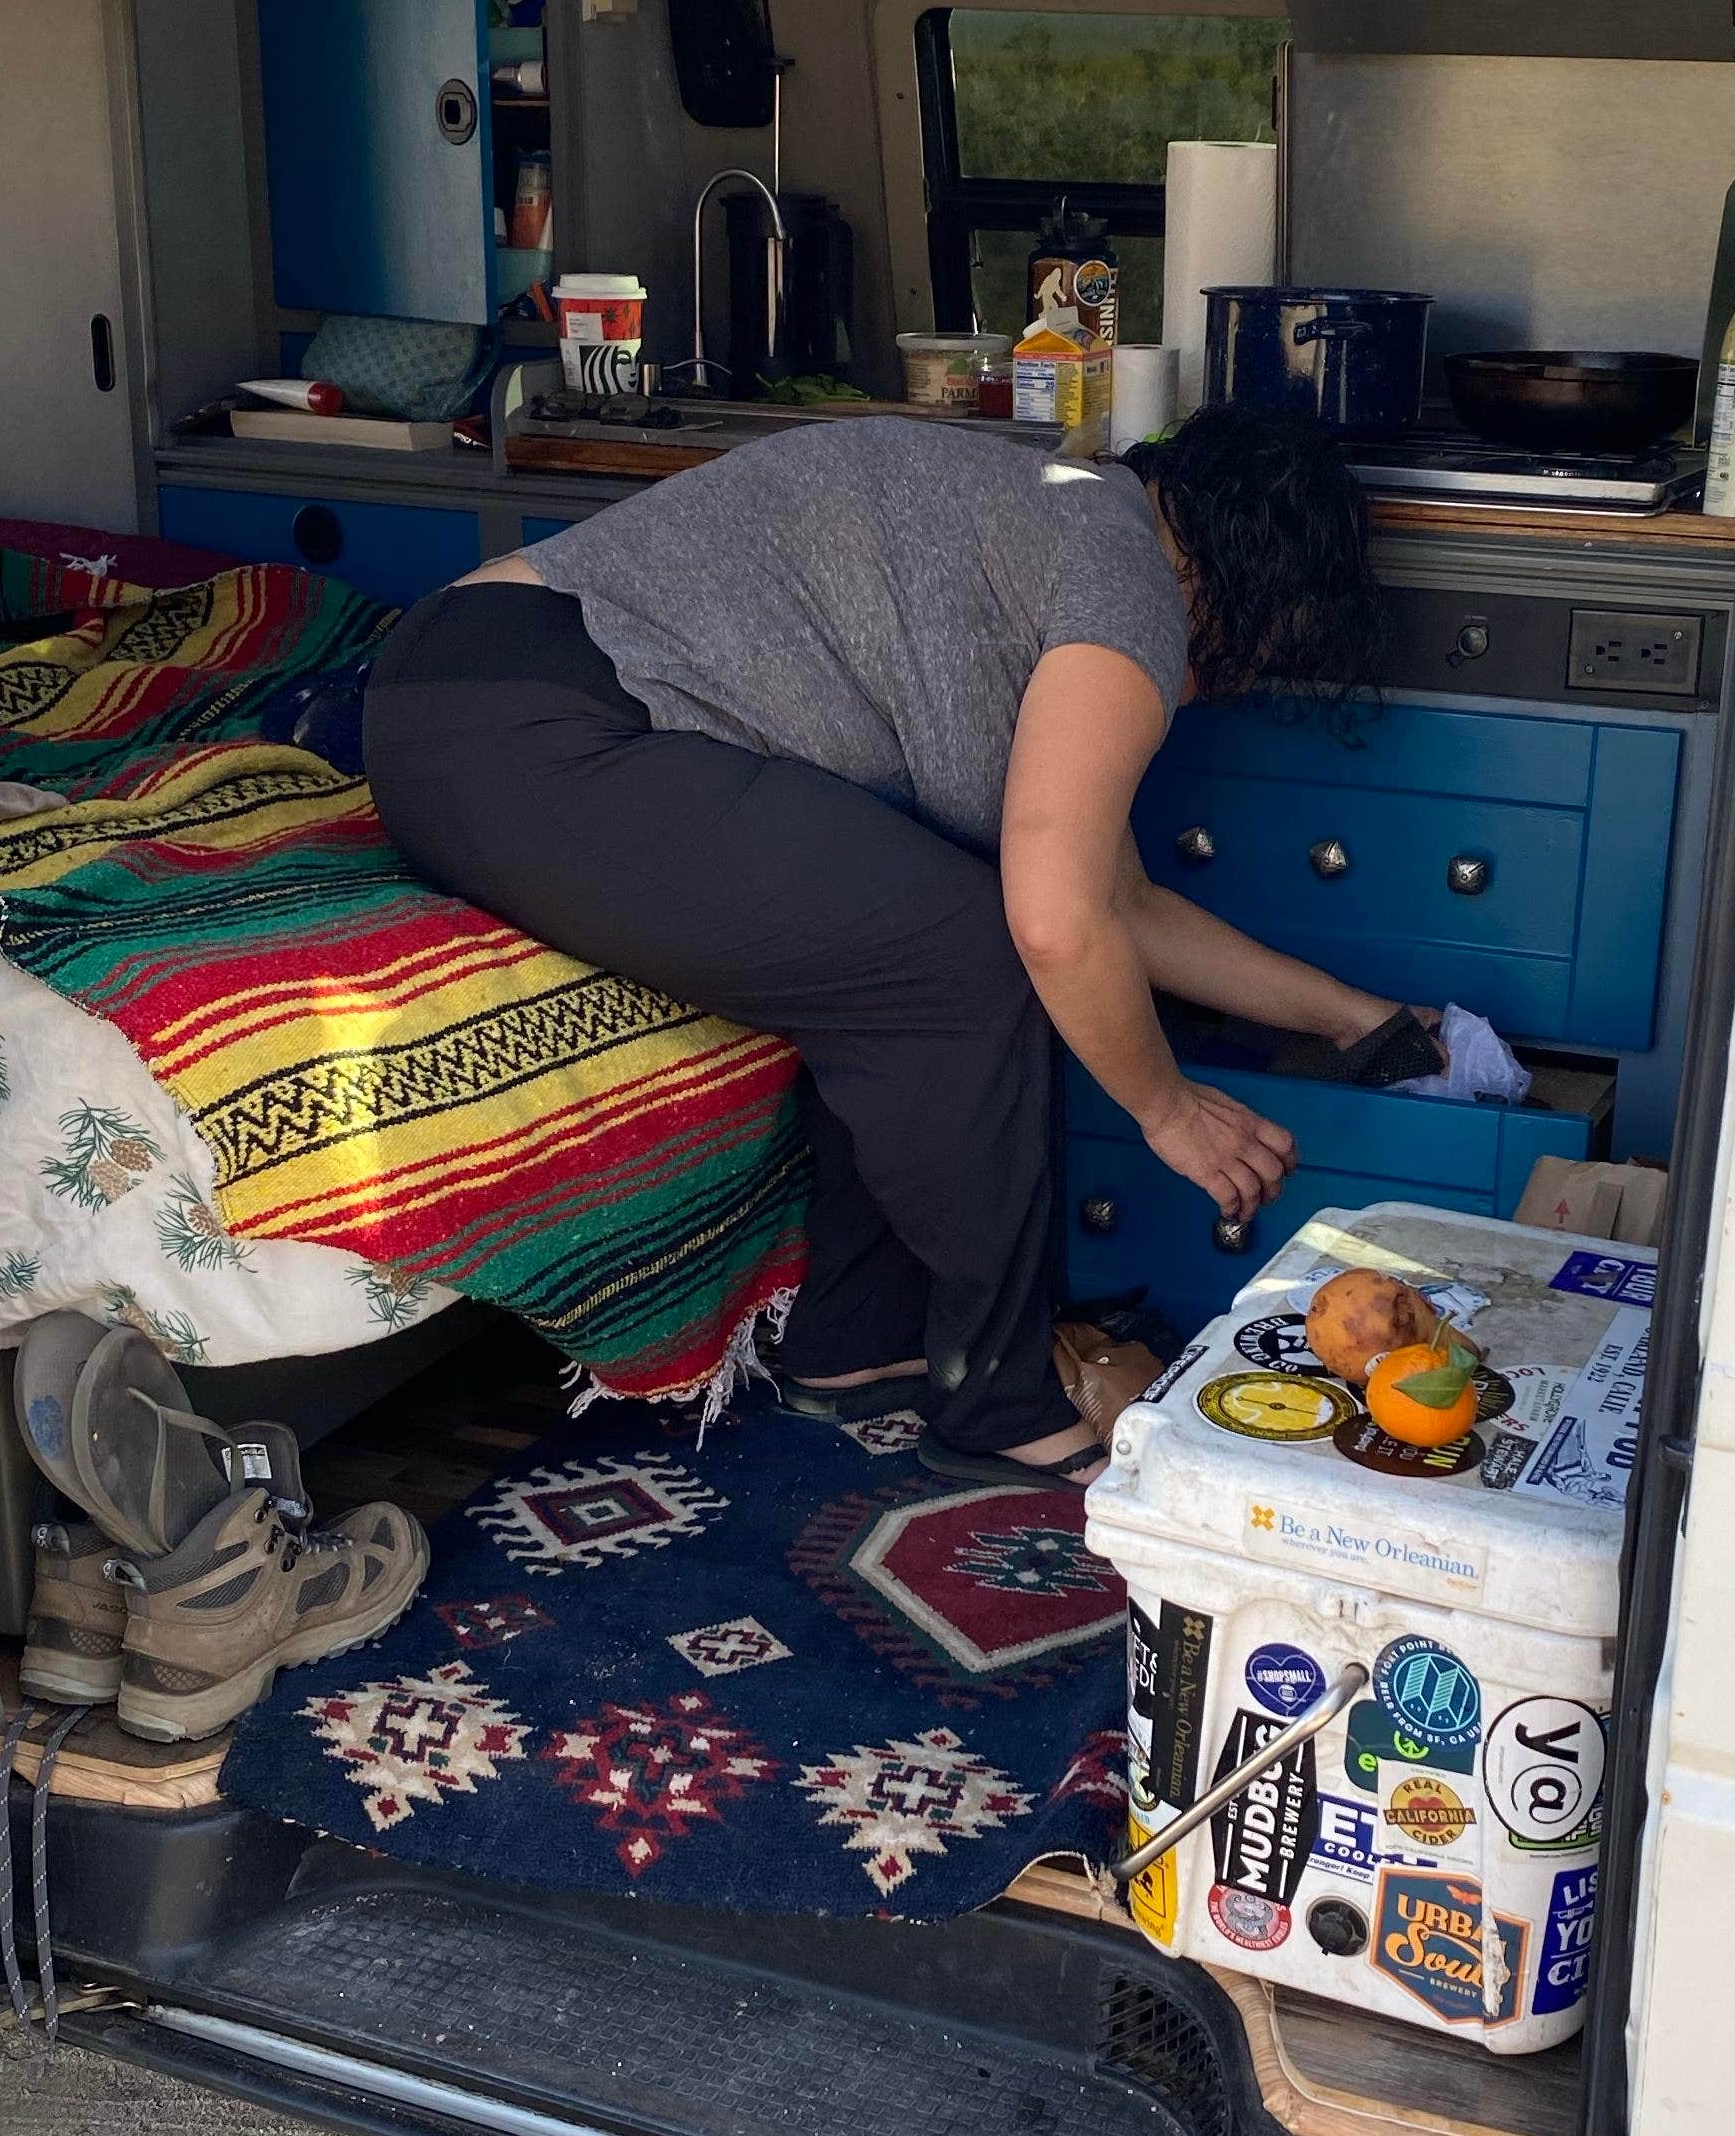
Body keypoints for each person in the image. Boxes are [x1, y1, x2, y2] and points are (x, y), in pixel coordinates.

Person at [363, 406, 1422, 1485]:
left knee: (893, 928)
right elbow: (1055, 927)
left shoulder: (1059, 518)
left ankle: (861, 1343)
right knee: (967, 953)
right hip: (538, 726)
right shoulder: (1128, 583)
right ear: (1241, 580)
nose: (1216, 692)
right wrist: (1168, 1108)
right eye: (1250, 661)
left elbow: (1121, 907)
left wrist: (1356, 1018)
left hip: (457, 703)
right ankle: (999, 1397)